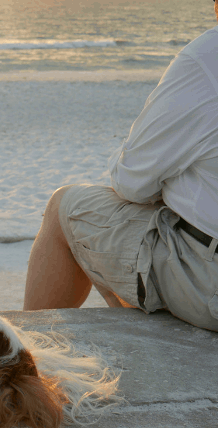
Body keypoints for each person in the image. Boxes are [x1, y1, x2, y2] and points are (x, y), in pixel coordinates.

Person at [23, 1, 218, 332]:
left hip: (208, 282)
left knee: (65, 207)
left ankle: (28, 359)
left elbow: (132, 181)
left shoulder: (207, 57)